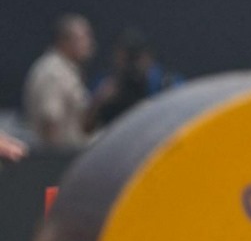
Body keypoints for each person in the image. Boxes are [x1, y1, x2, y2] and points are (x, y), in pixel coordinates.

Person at [86, 27, 183, 131]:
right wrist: (99, 101)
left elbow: (183, 117)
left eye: (136, 57)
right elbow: (86, 128)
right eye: (126, 59)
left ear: (148, 57)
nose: (132, 65)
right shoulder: (107, 84)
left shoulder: (167, 82)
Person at [22, 12, 95, 148]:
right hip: (62, 156)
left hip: (73, 152)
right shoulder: (53, 72)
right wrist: (54, 159)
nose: (89, 43)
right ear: (64, 41)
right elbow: (50, 120)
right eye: (83, 38)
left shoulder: (67, 70)